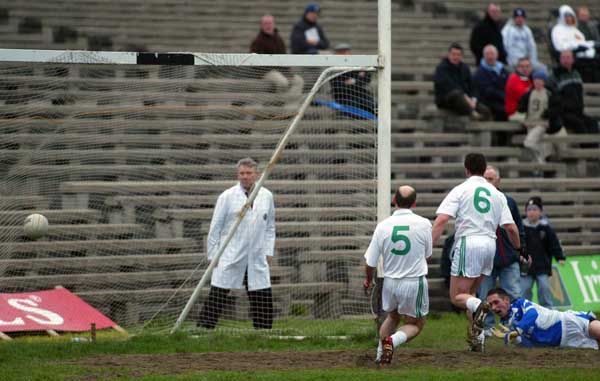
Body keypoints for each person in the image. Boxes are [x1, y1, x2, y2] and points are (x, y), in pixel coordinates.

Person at [432, 153, 521, 352]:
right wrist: (519, 249)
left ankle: (481, 306)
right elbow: (512, 228)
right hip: (490, 245)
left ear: (466, 169)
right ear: (483, 170)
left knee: (457, 297)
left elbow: (441, 221)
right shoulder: (497, 194)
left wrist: (427, 248)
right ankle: (478, 340)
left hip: (469, 243)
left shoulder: (461, 189)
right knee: (470, 294)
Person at [198, 158, 276, 330]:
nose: (245, 177)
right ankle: (203, 329)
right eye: (242, 173)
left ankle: (263, 332)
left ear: (256, 175)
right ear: (237, 175)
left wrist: (268, 251)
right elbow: (215, 228)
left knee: (262, 294)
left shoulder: (267, 196)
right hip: (230, 254)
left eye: (249, 173)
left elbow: (270, 227)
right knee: (218, 293)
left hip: (256, 255)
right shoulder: (227, 197)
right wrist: (213, 256)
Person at [363, 186, 432, 365]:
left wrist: (368, 280)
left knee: (392, 317)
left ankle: (381, 356)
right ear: (415, 203)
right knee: (416, 324)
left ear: (394, 200)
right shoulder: (424, 223)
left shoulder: (383, 226)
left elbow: (370, 262)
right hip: (413, 281)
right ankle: (391, 342)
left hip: (390, 282)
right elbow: (428, 254)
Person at [476, 165, 525, 335]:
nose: (488, 182)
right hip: (486, 259)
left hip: (508, 258)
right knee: (484, 297)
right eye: (485, 178)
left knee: (514, 294)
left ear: (499, 180)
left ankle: (517, 327)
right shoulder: (477, 203)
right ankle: (486, 329)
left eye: (491, 178)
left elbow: (518, 227)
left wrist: (521, 250)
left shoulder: (509, 201)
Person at [487, 287, 599, 349]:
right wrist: (515, 339)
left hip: (565, 322)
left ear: (506, 300)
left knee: (596, 330)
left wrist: (517, 331)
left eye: (496, 302)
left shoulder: (520, 304)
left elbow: (532, 314)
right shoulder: (505, 325)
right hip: (563, 342)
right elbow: (530, 347)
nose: (494, 307)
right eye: (491, 305)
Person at [521, 197, 565, 308]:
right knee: (525, 290)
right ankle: (525, 312)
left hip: (543, 267)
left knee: (544, 289)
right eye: (529, 210)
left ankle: (548, 313)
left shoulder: (546, 228)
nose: (532, 212)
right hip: (526, 267)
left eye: (535, 209)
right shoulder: (522, 228)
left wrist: (559, 256)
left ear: (540, 211)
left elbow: (554, 243)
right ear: (526, 212)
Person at [517, 69, 565, 163]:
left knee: (529, 143)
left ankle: (541, 156)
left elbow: (557, 107)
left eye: (540, 80)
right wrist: (521, 107)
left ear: (544, 81)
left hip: (541, 123)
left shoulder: (549, 93)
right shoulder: (529, 93)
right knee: (539, 144)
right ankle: (541, 166)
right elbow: (521, 105)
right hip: (530, 123)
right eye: (535, 80)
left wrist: (548, 113)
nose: (537, 82)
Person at [434, 43, 491, 121]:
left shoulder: (465, 68)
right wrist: (465, 97)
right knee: (456, 95)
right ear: (449, 54)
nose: (456, 57)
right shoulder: (442, 68)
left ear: (461, 56)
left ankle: (478, 128)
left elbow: (473, 86)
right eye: (453, 54)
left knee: (485, 110)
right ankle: (473, 114)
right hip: (447, 99)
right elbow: (447, 86)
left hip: (466, 101)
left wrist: (474, 99)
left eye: (458, 55)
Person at [250, 14, 304, 95]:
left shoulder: (279, 39)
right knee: (283, 82)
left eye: (270, 23)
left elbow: (284, 58)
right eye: (265, 23)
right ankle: (278, 104)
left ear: (274, 24)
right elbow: (255, 63)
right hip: (266, 72)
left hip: (281, 71)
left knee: (299, 81)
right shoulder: (257, 41)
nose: (268, 25)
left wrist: (288, 73)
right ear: (261, 25)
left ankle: (290, 106)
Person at [549, 50, 599, 135]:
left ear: (573, 59)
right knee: (580, 125)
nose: (565, 60)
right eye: (563, 58)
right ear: (560, 59)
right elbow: (552, 94)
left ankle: (593, 147)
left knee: (593, 123)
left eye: (568, 57)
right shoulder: (555, 75)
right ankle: (585, 147)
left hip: (578, 111)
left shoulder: (576, 73)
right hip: (563, 113)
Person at [551, 5, 600, 83]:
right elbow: (560, 46)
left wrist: (592, 44)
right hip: (569, 55)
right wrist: (576, 47)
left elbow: (583, 42)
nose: (568, 19)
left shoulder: (575, 30)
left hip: (583, 54)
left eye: (570, 16)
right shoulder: (557, 29)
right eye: (566, 16)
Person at [329, 43, 375, 115]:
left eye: (346, 51)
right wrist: (358, 78)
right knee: (355, 107)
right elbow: (338, 86)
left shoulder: (356, 64)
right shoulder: (333, 68)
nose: (345, 54)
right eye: (342, 52)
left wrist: (354, 81)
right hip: (344, 97)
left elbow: (367, 78)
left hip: (360, 94)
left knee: (374, 106)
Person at [473, 44, 510, 121]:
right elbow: (487, 91)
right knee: (503, 111)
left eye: (492, 54)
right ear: (484, 56)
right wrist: (504, 96)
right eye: (487, 54)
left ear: (497, 55)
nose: (490, 57)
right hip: (487, 102)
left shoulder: (504, 71)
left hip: (503, 100)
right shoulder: (479, 72)